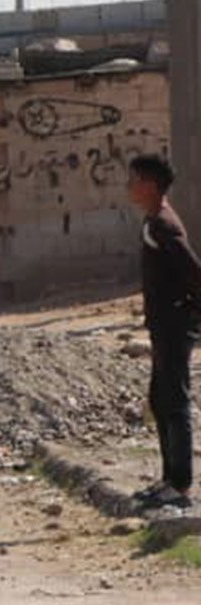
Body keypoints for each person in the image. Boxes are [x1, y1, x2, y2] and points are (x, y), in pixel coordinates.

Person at [128, 154, 201, 512]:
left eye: (135, 179)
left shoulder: (164, 225)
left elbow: (193, 272)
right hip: (163, 326)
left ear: (151, 185)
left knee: (175, 402)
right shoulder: (154, 221)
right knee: (160, 400)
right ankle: (169, 479)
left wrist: (190, 313)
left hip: (174, 326)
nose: (130, 186)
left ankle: (182, 485)